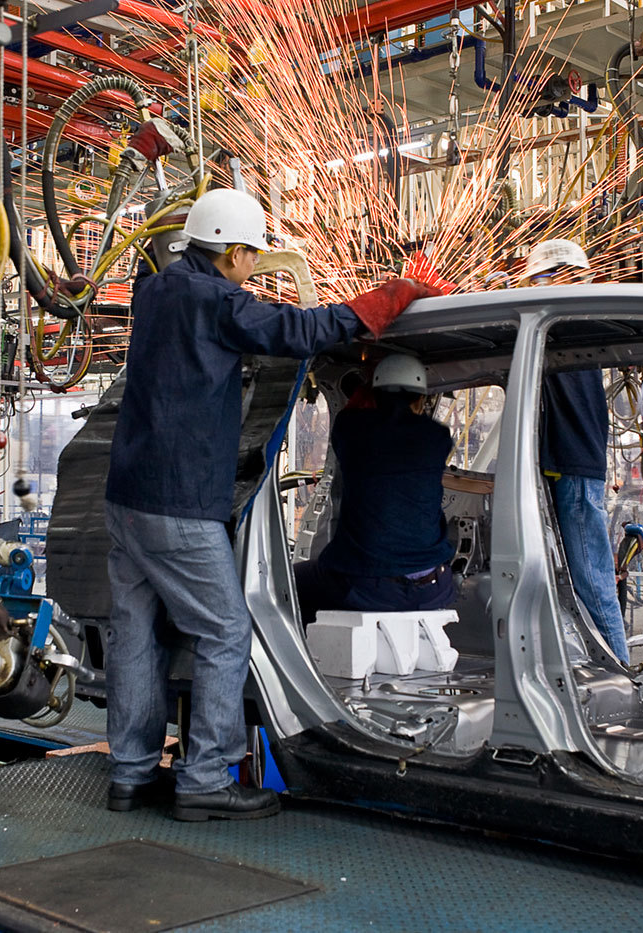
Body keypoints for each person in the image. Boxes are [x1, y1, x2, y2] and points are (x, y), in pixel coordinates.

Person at [103, 186, 437, 822]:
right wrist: (378, 305)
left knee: (136, 633)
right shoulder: (217, 300)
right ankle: (204, 780)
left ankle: (131, 772)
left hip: (127, 499)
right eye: (251, 256)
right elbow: (296, 330)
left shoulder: (157, 291)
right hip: (179, 503)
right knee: (226, 631)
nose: (254, 267)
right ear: (229, 253)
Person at [524, 239, 630, 665]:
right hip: (568, 471)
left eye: (541, 281)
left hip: (575, 475)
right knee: (578, 583)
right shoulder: (567, 328)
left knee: (593, 583)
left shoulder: (560, 326)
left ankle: (621, 674)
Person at [293, 354, 457, 624]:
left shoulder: (351, 430)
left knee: (291, 584)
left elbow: (354, 415)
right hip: (434, 587)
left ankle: (309, 663)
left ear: (375, 394)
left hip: (369, 588)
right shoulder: (437, 438)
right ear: (420, 399)